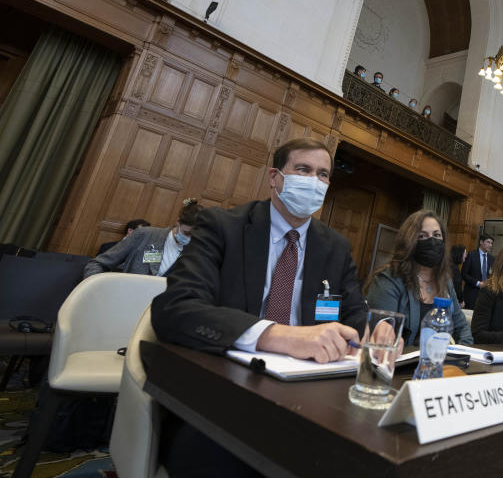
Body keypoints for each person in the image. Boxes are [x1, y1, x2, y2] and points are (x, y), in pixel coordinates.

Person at [152, 138, 367, 477]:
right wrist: (277, 335)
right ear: (274, 177)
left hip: (310, 392)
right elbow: (175, 308)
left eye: (323, 174)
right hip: (227, 388)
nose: (314, 181)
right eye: (303, 170)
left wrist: (373, 332)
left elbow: (355, 316)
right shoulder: (223, 226)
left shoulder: (335, 247)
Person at [365, 210, 472, 345]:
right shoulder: (388, 280)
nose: (432, 241)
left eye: (437, 235)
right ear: (409, 242)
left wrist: (461, 354)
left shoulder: (445, 281)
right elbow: (382, 337)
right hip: (400, 362)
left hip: (441, 362)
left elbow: (462, 327)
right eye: (422, 236)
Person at [84, 201, 200, 278]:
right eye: (186, 233)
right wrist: (99, 292)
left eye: (195, 235)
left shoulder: (198, 252)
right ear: (178, 221)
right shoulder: (144, 234)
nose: (189, 238)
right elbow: (97, 264)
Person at [462, 232, 494, 309]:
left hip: (486, 295)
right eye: (488, 242)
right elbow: (464, 274)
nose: (490, 245)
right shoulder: (471, 255)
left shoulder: (492, 259)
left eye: (491, 243)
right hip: (471, 294)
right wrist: (478, 283)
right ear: (481, 242)